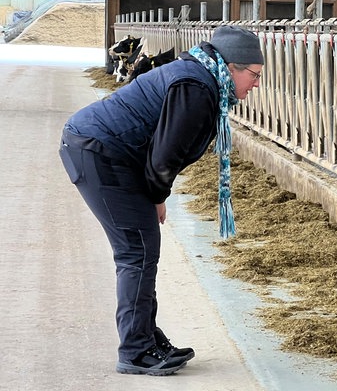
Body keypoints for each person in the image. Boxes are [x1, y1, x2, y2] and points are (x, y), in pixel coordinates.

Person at [58, 25, 264, 376]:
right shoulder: (197, 88)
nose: (257, 84)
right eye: (254, 75)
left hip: (111, 153)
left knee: (142, 249)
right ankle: (136, 351)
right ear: (231, 67)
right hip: (100, 153)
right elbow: (165, 155)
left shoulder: (200, 77)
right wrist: (157, 195)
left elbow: (161, 150)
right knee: (137, 251)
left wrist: (155, 192)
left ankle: (146, 338)